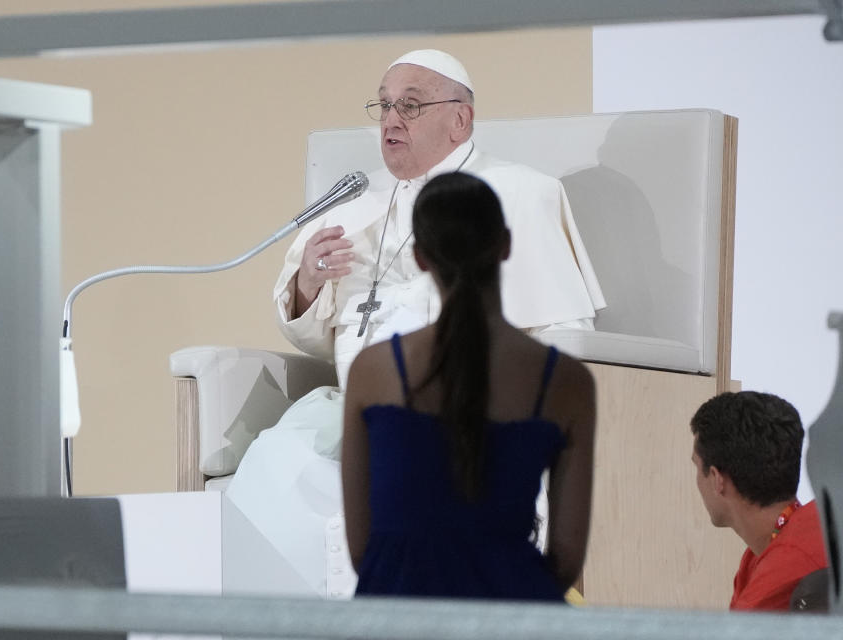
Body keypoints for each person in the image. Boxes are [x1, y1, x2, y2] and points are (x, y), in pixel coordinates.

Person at [225, 49, 605, 597]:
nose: (390, 120)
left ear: (461, 119)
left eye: (410, 105)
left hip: (469, 407)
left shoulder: (520, 193)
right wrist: (307, 281)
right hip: (356, 403)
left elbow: (566, 333)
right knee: (274, 467)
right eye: (382, 107)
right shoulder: (355, 203)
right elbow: (310, 338)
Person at [341, 172, 596, 600]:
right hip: (512, 613)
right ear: (506, 245)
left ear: (421, 258)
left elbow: (362, 549)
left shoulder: (374, 370)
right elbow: (567, 558)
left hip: (397, 614)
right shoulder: (566, 382)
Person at [690, 391, 829, 611]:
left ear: (717, 479)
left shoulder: (783, 573)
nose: (697, 480)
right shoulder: (757, 558)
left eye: (697, 468)